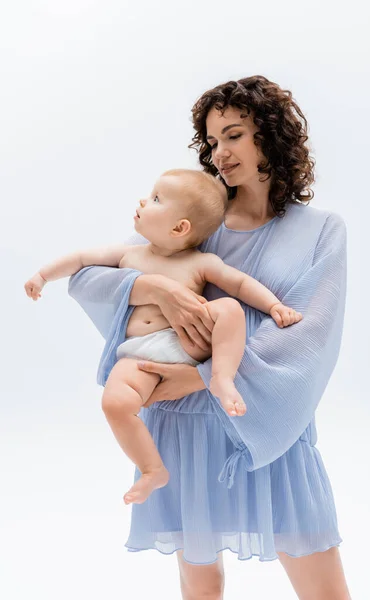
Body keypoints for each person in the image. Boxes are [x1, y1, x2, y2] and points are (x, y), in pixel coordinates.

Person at [68, 76, 351, 599]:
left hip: (269, 429)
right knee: (200, 587)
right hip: (183, 432)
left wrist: (196, 377)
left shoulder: (322, 231)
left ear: (270, 135)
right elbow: (86, 275)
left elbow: (309, 340)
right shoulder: (195, 224)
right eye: (213, 141)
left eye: (234, 135)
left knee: (324, 588)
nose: (220, 153)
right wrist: (152, 287)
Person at [24, 168, 302, 506]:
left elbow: (241, 285)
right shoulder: (129, 255)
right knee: (114, 403)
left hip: (185, 348)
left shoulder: (202, 262)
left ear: (180, 227)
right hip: (140, 355)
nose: (143, 200)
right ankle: (152, 468)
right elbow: (81, 260)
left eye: (155, 198)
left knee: (229, 308)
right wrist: (42, 276)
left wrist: (274, 306)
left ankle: (222, 377)